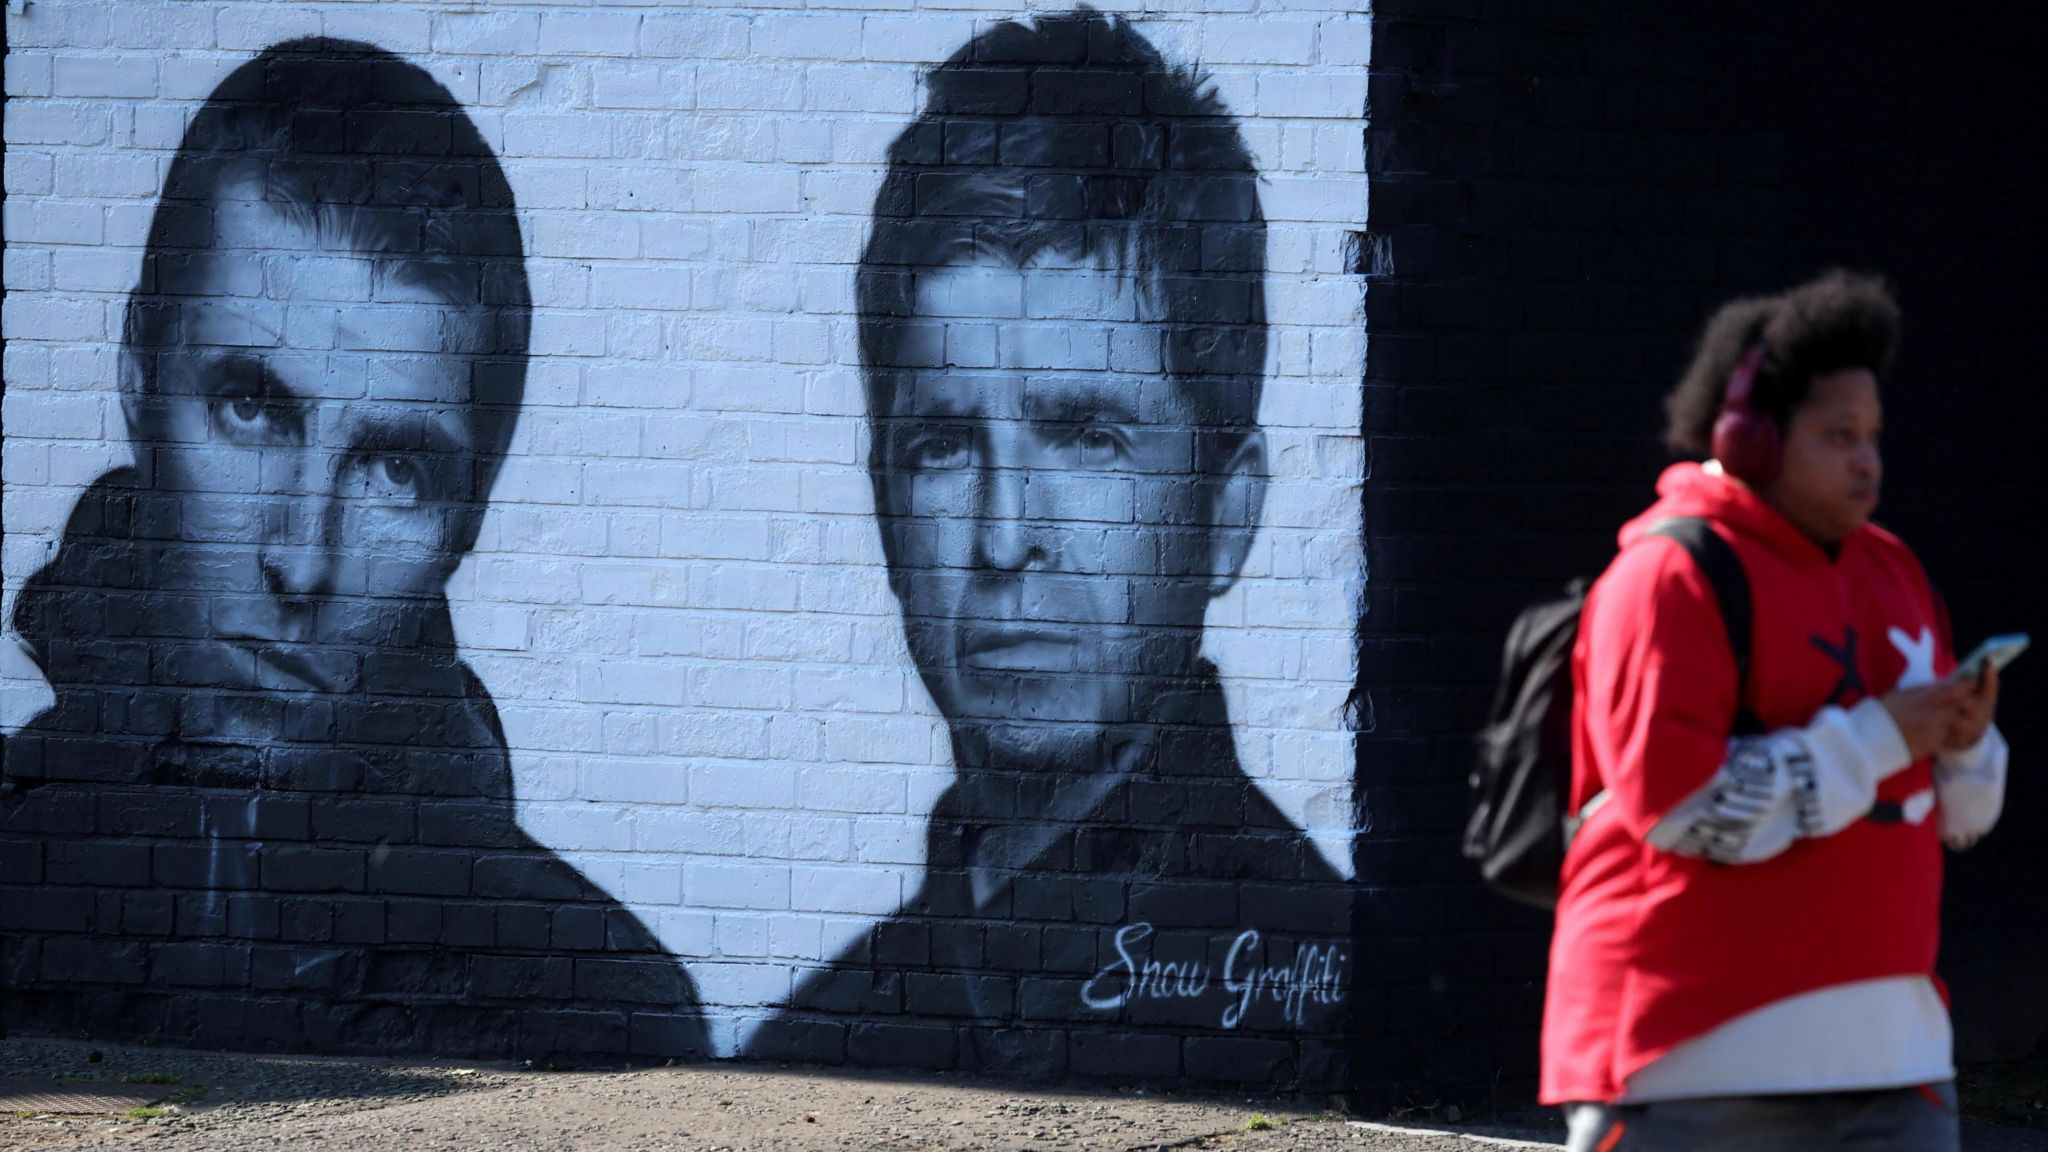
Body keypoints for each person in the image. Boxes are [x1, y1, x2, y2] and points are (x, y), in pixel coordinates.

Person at [0, 40, 706, 1061]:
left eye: (394, 472)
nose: (301, 560)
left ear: (465, 522)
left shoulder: (598, 1017)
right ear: (135, 386)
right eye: (251, 410)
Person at [744, 11, 1352, 1085]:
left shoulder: (1337, 1012)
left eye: (1088, 437)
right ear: (881, 498)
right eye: (941, 446)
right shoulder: (805, 1051)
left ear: (1225, 510)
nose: (1003, 535)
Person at [1543, 270, 2007, 1150]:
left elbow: (1963, 816)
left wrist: (1968, 744)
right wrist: (1882, 737)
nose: (1868, 458)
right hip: (1694, 1060)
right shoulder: (1667, 577)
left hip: (1897, 1060)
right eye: (1838, 435)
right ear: (1749, 438)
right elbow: (1680, 808)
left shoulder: (1896, 571)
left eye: (1873, 433)